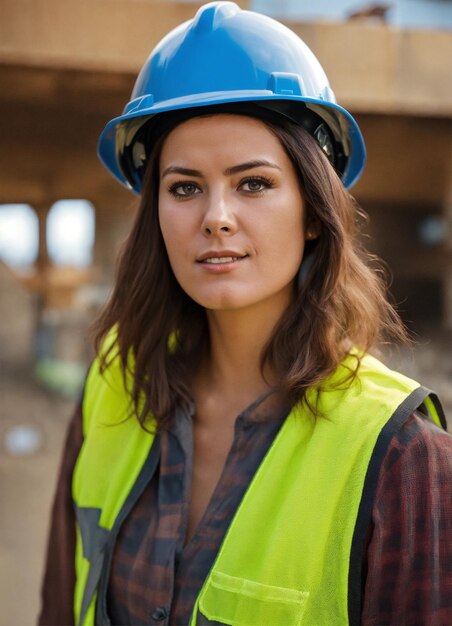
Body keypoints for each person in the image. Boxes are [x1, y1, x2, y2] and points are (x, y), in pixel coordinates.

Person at [38, 3, 452, 625]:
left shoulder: (401, 456)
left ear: (314, 212)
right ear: (156, 213)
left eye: (253, 183)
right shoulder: (108, 389)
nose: (216, 216)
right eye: (184, 187)